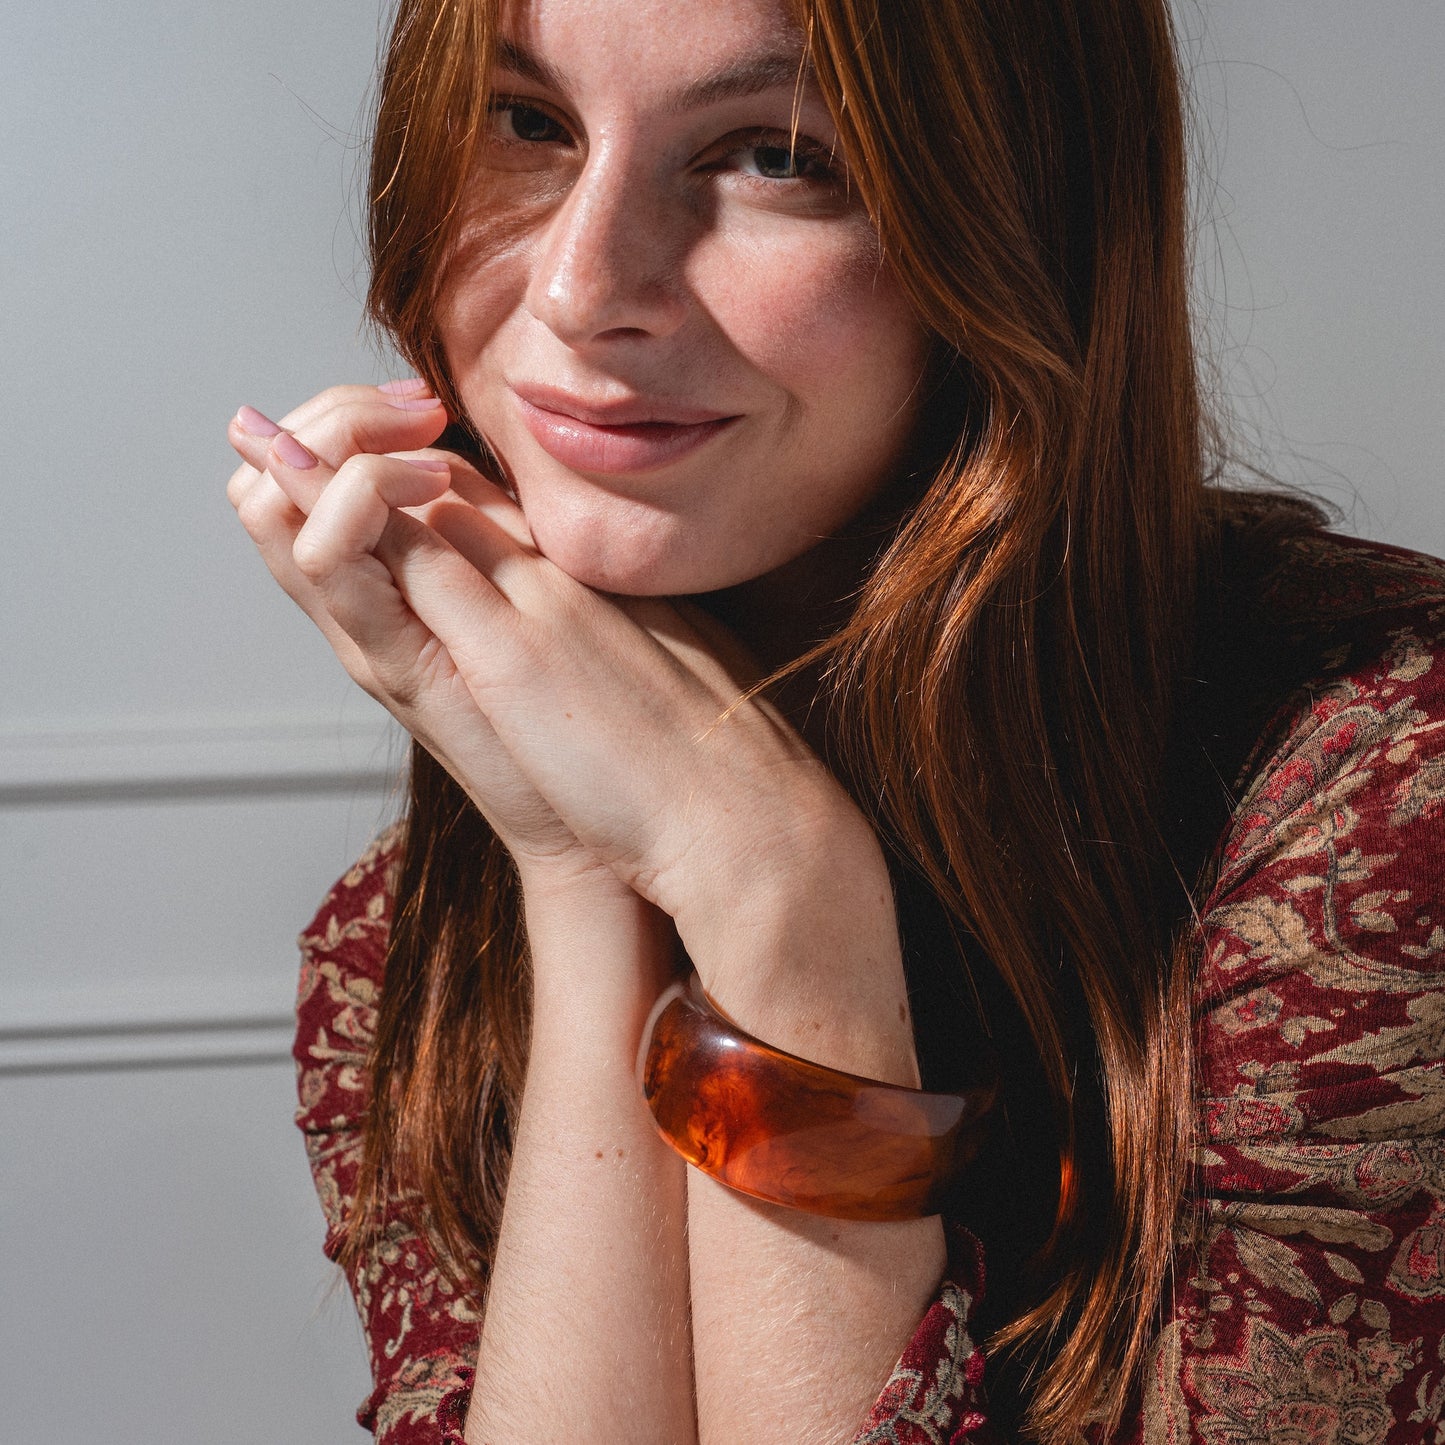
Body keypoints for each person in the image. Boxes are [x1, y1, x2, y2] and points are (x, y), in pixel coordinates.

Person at [226, 0, 1445, 1438]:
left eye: (774, 154)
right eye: (528, 124)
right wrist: (577, 880)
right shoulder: (390, 947)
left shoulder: (1377, 788)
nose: (579, 285)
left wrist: (782, 907)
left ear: (1014, 221)